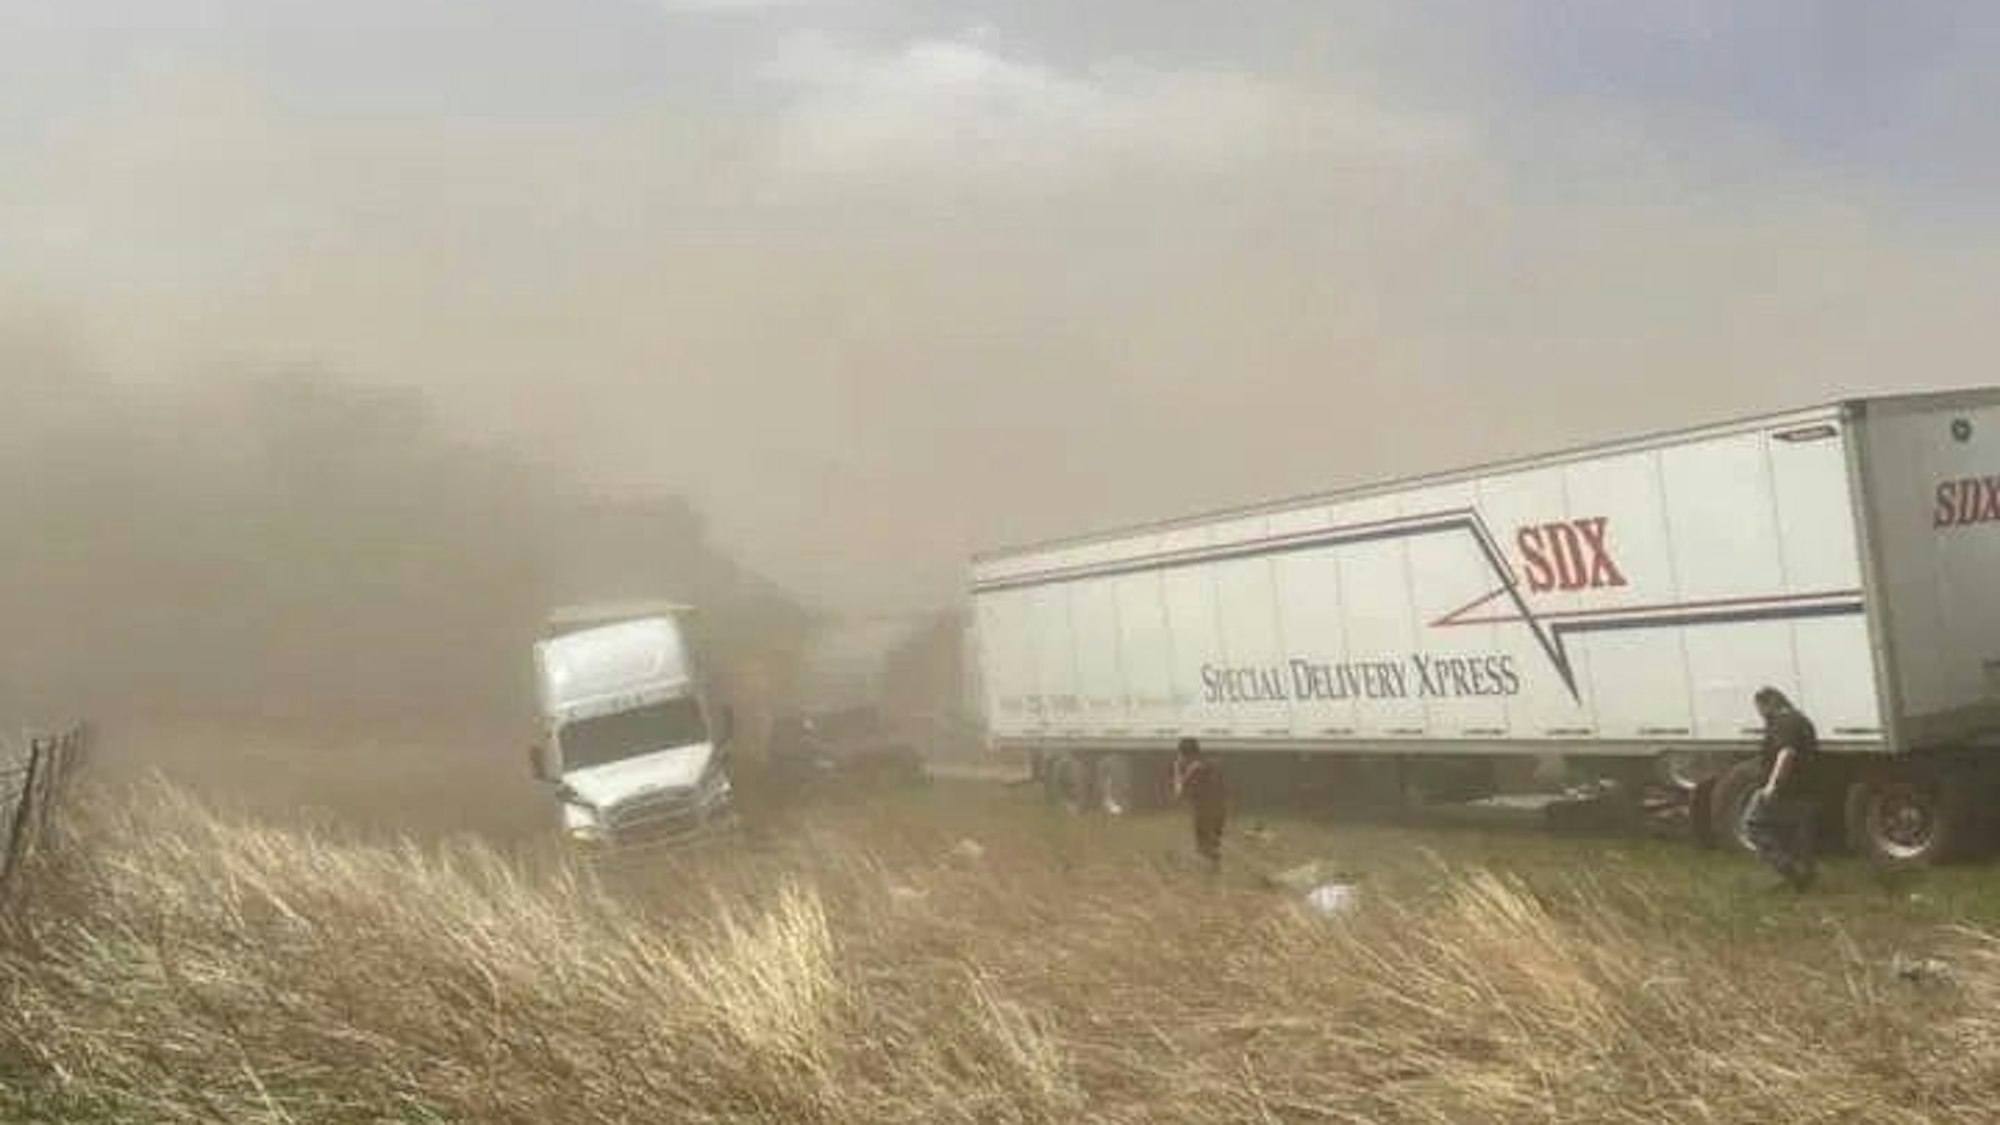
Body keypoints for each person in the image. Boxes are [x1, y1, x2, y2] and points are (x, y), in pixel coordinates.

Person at [1745, 687, 1821, 890]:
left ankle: (1789, 869)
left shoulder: (1782, 722)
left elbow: (1786, 753)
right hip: (1807, 788)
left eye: (1759, 709)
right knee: (1794, 835)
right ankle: (1803, 879)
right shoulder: (1801, 719)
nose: (1760, 715)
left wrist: (1772, 785)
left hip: (1786, 790)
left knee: (1753, 825)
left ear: (1768, 703)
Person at [1172, 737, 1227, 873]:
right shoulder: (1207, 764)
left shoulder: (1192, 769)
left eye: (1179, 753)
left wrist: (1177, 771)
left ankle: (1213, 870)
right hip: (1221, 810)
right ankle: (1215, 869)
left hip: (1204, 812)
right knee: (1213, 843)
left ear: (1184, 754)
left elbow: (1179, 793)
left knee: (1204, 847)